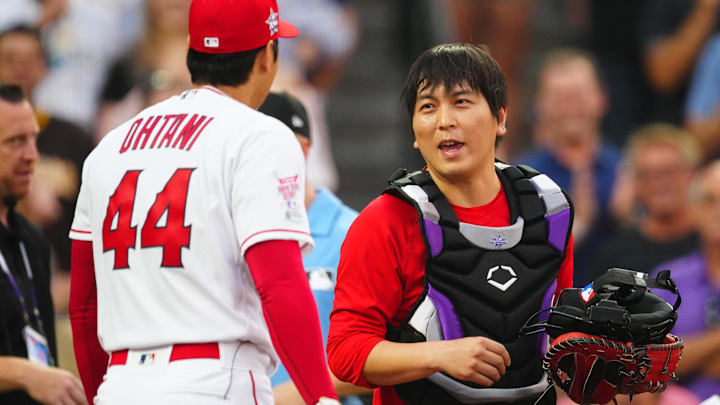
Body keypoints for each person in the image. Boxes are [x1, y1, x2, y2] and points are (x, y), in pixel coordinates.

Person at [67, 1, 340, 404]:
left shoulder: (109, 146)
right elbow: (279, 281)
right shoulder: (259, 135)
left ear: (193, 50)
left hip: (121, 385)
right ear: (267, 56)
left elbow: (84, 307)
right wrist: (322, 397)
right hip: (215, 379)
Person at [327, 43, 575, 405]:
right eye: (428, 107)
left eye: (461, 102)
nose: (444, 121)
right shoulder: (386, 219)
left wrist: (605, 353)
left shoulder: (548, 209)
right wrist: (440, 356)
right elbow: (345, 352)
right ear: (414, 131)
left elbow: (555, 336)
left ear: (501, 118)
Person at [259, 92, 369, 405]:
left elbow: (381, 351)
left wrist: (287, 394)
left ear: (302, 149)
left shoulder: (354, 234)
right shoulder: (229, 234)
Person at [0, 83, 86, 405]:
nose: (32, 156)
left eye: (34, 139)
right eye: (15, 142)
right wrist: (25, 374)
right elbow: (37, 374)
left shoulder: (31, 240)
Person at [518, 48, 621, 279]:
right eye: (560, 98)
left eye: (578, 96)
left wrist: (630, 223)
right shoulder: (520, 180)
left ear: (601, 99)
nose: (571, 108)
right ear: (540, 105)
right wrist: (578, 227)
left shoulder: (627, 170)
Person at [587, 124, 700, 287]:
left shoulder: (711, 245)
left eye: (668, 172)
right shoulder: (614, 258)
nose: (659, 184)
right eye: (647, 175)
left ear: (690, 174)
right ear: (635, 183)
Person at [650, 160, 720, 401]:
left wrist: (689, 354)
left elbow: (672, 359)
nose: (718, 210)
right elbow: (650, 362)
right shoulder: (669, 279)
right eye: (710, 200)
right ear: (695, 210)